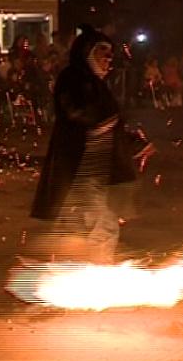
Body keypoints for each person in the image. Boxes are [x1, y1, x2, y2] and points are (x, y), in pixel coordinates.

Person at [29, 25, 154, 264]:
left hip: (98, 168)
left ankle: (79, 271)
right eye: (102, 51)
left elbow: (111, 123)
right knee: (99, 224)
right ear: (87, 51)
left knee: (90, 224)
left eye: (110, 53)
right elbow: (78, 111)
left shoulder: (96, 83)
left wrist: (134, 143)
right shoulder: (73, 77)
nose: (108, 58)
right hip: (81, 166)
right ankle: (92, 275)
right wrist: (102, 121)